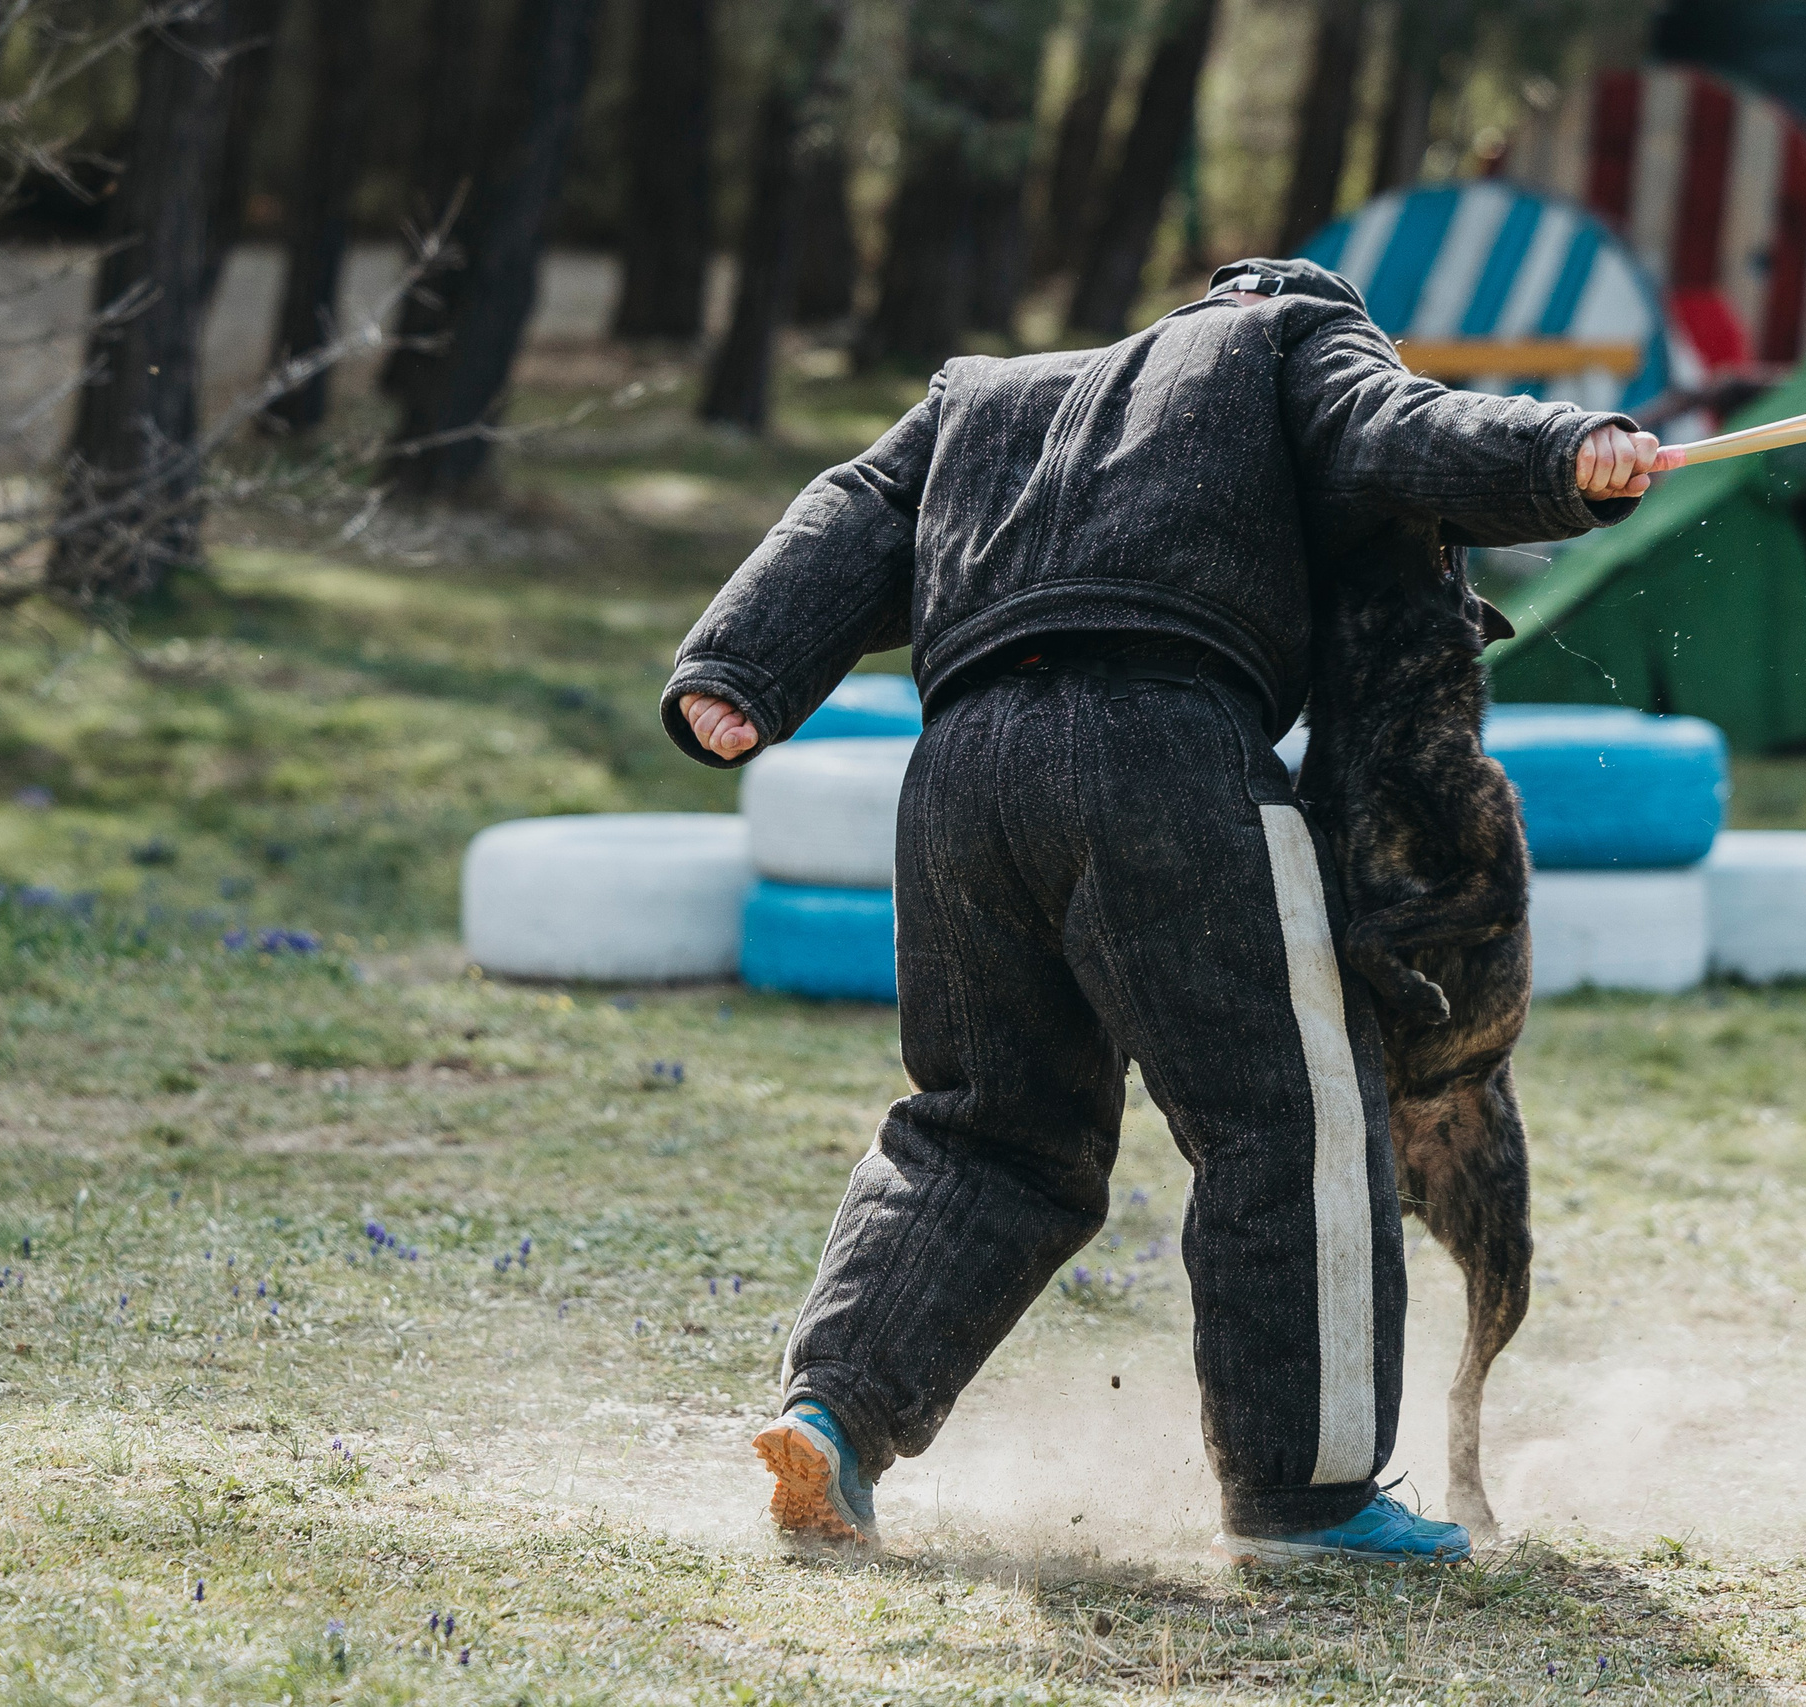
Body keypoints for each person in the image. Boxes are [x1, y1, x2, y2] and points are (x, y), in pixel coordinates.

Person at [662, 257, 1670, 1565]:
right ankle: (1306, 1499)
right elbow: (1397, 429)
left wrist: (738, 664)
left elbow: (855, 508)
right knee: (1289, 1117)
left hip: (959, 773)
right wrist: (1563, 446)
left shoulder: (982, 390)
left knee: (985, 1132)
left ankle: (834, 1417)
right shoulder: (1287, 342)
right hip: (1164, 751)